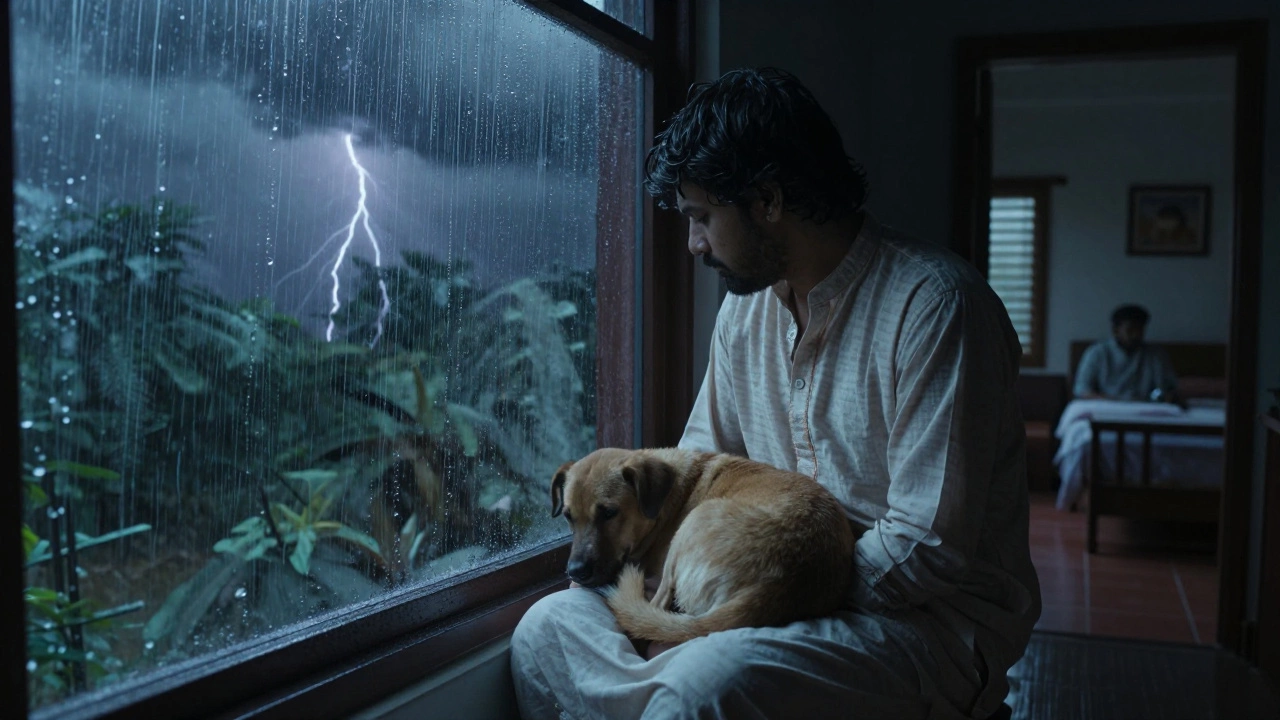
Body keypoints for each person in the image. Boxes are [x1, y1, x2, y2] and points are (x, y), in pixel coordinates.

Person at [510, 67, 1040, 720]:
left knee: (706, 684)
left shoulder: (937, 309)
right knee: (549, 629)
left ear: (766, 200)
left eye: (702, 216)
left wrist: (768, 590)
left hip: (919, 623)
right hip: (743, 587)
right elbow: (698, 467)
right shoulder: (745, 313)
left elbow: (926, 549)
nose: (693, 243)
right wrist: (692, 589)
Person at [1073, 304, 1179, 402]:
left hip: (1145, 409)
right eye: (1130, 330)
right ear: (1116, 330)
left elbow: (1168, 388)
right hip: (1107, 407)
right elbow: (1081, 389)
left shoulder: (1156, 355)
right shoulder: (1097, 353)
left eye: (1140, 330)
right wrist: (1110, 400)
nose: (1136, 335)